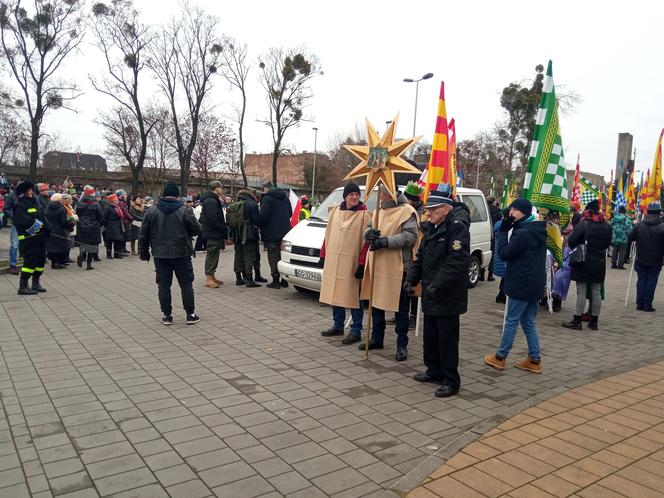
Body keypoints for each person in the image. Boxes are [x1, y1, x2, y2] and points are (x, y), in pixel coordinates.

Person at [407, 187, 470, 397]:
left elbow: (457, 261)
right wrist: (411, 279)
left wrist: (436, 285)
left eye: (432, 210)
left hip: (447, 295)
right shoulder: (432, 228)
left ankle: (451, 380)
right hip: (431, 294)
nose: (428, 213)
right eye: (428, 210)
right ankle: (433, 370)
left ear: (445, 209)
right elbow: (421, 257)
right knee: (431, 336)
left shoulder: (457, 228)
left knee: (447, 339)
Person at [484, 198, 546, 374]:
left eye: (514, 210)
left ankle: (500, 357)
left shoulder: (524, 233)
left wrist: (503, 232)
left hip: (522, 282)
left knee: (511, 320)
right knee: (528, 322)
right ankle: (534, 359)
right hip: (534, 282)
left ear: (523, 212)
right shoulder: (536, 228)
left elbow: (505, 253)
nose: (510, 214)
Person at [359, 185, 418, 361]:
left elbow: (410, 237)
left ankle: (402, 344)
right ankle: (377, 338)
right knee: (376, 302)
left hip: (399, 266)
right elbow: (367, 228)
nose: (381, 196)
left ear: (390, 193)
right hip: (378, 264)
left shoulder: (407, 211)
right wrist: (369, 234)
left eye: (382, 193)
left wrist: (385, 242)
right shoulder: (378, 210)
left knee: (400, 307)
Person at [139, 182, 201, 325]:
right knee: (186, 284)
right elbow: (197, 229)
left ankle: (167, 315)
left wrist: (144, 253)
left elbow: (143, 234)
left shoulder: (151, 211)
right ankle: (190, 314)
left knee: (163, 285)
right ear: (178, 195)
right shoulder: (185, 210)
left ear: (163, 195)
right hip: (182, 252)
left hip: (160, 254)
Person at [319, 181, 371, 345]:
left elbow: (367, 242)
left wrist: (362, 264)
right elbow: (328, 235)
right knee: (337, 293)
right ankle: (338, 325)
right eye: (351, 194)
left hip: (353, 262)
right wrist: (323, 255)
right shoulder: (335, 212)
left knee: (353, 295)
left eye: (357, 195)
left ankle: (356, 329)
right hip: (335, 261)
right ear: (345, 197)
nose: (354, 197)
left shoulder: (365, 215)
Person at [561, 200, 611, 331]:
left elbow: (571, 241)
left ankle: (577, 320)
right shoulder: (606, 225)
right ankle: (594, 322)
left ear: (587, 210)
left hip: (583, 261)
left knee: (581, 291)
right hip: (599, 262)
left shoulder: (584, 223)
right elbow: (607, 244)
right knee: (596, 291)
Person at [13, 181, 48, 295]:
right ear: (25, 192)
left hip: (40, 239)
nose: (32, 192)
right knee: (30, 263)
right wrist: (40, 226)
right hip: (29, 240)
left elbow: (42, 217)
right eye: (30, 190)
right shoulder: (20, 205)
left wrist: (47, 228)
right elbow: (23, 221)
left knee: (40, 262)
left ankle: (35, 283)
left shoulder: (35, 203)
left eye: (32, 190)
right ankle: (23, 286)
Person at [628, 202, 664, 312]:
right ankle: (647, 304)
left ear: (647, 212)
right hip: (656, 259)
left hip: (641, 258)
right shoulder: (662, 227)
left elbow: (630, 237)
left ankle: (639, 304)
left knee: (641, 280)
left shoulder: (639, 225)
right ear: (659, 213)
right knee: (651, 281)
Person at [258, 181, 292, 289]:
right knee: (283, 256)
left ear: (266, 189)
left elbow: (264, 216)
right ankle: (284, 280)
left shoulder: (267, 199)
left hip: (272, 233)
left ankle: (275, 281)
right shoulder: (285, 198)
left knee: (273, 257)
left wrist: (259, 223)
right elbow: (290, 213)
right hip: (286, 232)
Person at [229, 188, 262, 287]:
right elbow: (256, 220)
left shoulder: (236, 202)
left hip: (236, 234)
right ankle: (249, 279)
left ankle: (238, 278)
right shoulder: (251, 203)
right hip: (248, 234)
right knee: (248, 256)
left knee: (238, 255)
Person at [403, 181, 425, 329]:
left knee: (415, 284)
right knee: (404, 283)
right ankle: (402, 313)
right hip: (406, 252)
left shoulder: (422, 212)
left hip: (417, 252)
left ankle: (413, 316)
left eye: (407, 198)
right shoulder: (406, 210)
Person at [199, 180, 228, 288]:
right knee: (212, 255)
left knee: (214, 254)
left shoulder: (211, 199)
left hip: (213, 232)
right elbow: (212, 218)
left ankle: (212, 275)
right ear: (216, 188)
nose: (222, 189)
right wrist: (222, 227)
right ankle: (208, 278)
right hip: (213, 233)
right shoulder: (211, 201)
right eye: (221, 187)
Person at [75, 185, 103, 270]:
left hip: (81, 225)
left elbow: (77, 214)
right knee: (92, 245)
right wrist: (98, 223)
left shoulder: (79, 203)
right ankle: (88, 265)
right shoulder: (96, 204)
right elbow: (100, 216)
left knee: (83, 242)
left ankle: (81, 254)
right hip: (93, 226)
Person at [45, 193, 72, 269]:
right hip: (60, 230)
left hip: (50, 230)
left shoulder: (48, 208)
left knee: (52, 247)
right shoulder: (61, 209)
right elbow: (63, 221)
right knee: (60, 247)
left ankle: (53, 263)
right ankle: (58, 263)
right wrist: (69, 224)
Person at [3, 185, 20, 274]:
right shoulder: (11, 196)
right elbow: (5, 209)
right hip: (16, 224)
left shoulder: (26, 195)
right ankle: (12, 265)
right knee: (14, 244)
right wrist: (13, 217)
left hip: (25, 224)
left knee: (25, 243)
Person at [102, 193, 126, 259]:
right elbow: (104, 218)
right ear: (112, 201)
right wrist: (106, 225)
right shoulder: (107, 207)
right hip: (110, 225)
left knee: (117, 240)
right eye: (116, 200)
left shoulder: (117, 207)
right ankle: (109, 255)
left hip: (118, 225)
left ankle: (117, 254)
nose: (118, 201)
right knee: (109, 241)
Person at [493, 209, 508, 303]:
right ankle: (502, 295)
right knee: (506, 276)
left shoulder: (497, 224)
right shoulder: (507, 225)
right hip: (504, 254)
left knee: (504, 276)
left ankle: (500, 294)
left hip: (498, 254)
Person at [116, 190, 132, 254]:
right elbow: (125, 212)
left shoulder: (123, 202)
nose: (126, 196)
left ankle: (123, 248)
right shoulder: (121, 203)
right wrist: (131, 218)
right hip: (124, 221)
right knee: (123, 236)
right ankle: (122, 249)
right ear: (121, 196)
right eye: (124, 195)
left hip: (125, 221)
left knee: (125, 236)